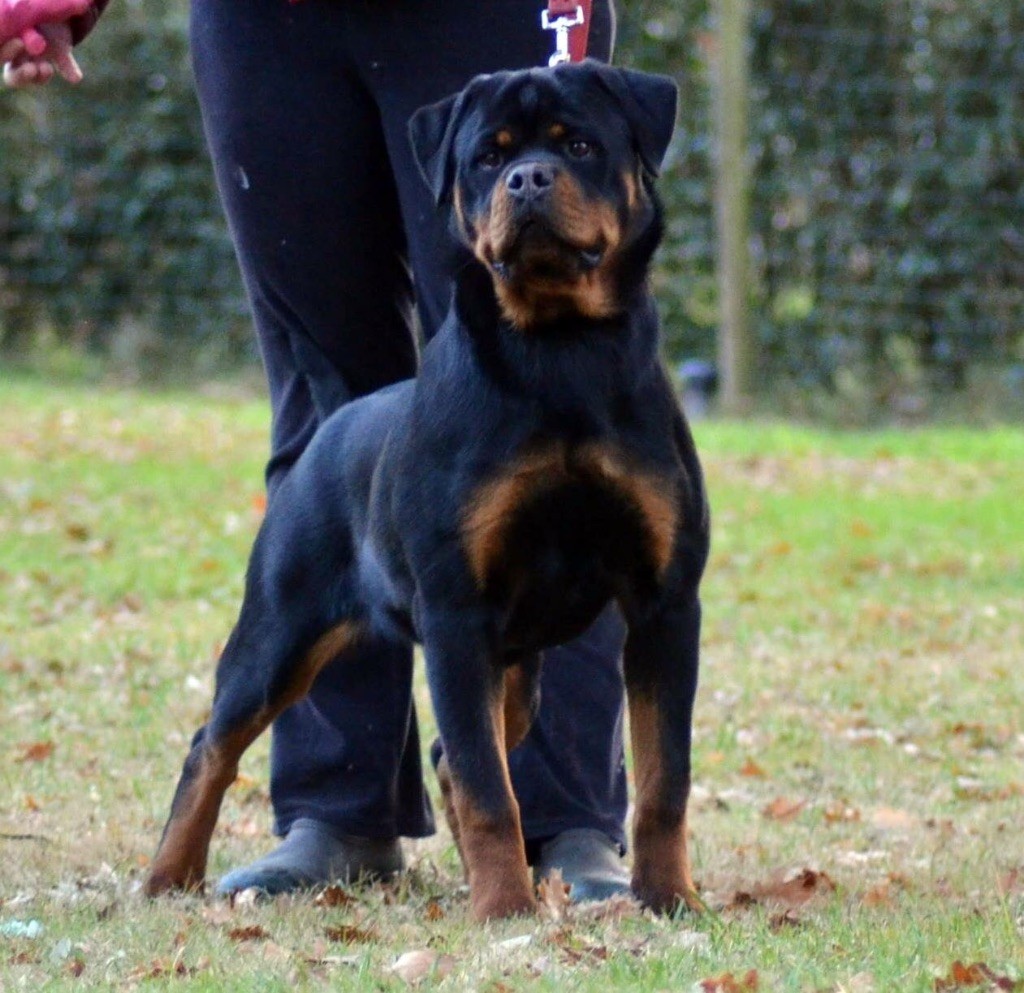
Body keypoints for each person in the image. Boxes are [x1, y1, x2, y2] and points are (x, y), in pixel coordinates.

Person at [5, 0, 635, 903]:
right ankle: (339, 810)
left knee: (547, 388)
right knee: (324, 395)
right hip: (271, 24)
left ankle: (565, 819)